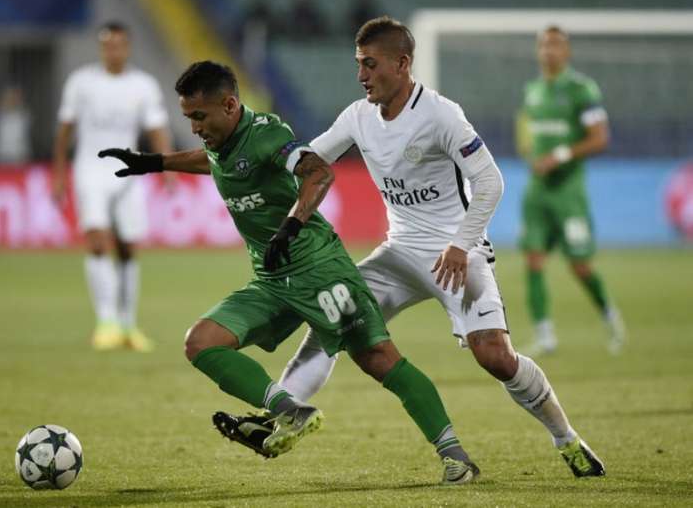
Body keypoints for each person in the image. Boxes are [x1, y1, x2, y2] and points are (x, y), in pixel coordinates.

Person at [213, 16, 605, 479]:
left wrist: (461, 245)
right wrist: (237, 159)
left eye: (370, 64)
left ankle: (566, 439)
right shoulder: (358, 117)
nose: (361, 75)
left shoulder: (441, 115)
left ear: (401, 64)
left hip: (456, 256)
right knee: (331, 321)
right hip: (398, 254)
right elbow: (304, 163)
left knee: (495, 356)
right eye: (357, 64)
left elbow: (490, 181)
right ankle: (281, 416)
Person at [100, 60, 480, 485]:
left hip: (319, 268)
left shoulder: (268, 135)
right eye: (188, 117)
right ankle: (289, 410)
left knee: (376, 358)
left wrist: (292, 224)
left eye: (199, 117)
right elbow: (214, 160)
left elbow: (320, 171)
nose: (193, 127)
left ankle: (455, 455)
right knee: (201, 343)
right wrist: (154, 161)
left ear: (229, 105)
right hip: (271, 278)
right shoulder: (220, 138)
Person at [52, 21, 171, 352]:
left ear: (128, 47)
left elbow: (156, 128)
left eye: (119, 45)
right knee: (98, 240)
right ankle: (106, 322)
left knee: (129, 247)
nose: (113, 50)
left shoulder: (143, 85)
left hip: (128, 172)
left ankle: (128, 324)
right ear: (101, 47)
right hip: (90, 170)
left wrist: (168, 167)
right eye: (107, 45)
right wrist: (59, 173)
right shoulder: (81, 82)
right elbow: (65, 130)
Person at [519, 26, 625, 356]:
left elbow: (600, 138)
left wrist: (560, 155)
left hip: (568, 192)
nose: (548, 51)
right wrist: (530, 151)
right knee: (533, 259)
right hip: (538, 192)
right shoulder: (533, 90)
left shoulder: (582, 89)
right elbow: (528, 130)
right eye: (543, 45)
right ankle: (545, 334)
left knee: (579, 265)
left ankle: (610, 315)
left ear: (567, 51)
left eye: (555, 45)